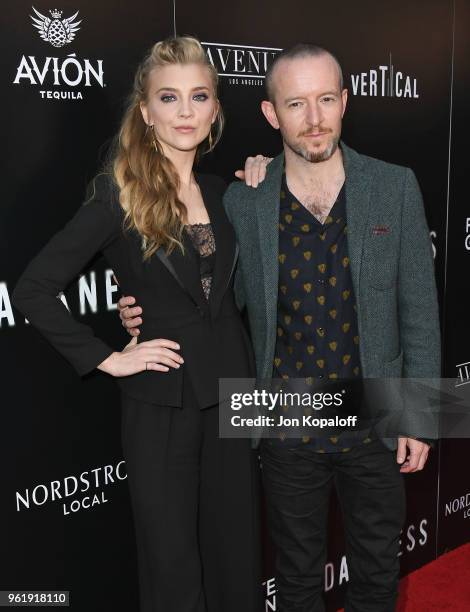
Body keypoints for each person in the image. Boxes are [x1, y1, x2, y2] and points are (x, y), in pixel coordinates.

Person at [119, 43, 441, 611]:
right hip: (284, 422)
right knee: (293, 580)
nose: (313, 119)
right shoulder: (245, 201)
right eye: (296, 104)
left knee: (375, 575)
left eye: (324, 101)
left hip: (377, 414)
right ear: (273, 115)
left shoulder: (396, 185)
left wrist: (423, 417)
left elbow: (419, 307)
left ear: (344, 103)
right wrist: (140, 303)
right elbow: (209, 291)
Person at [12, 36, 264, 612]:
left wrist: (265, 180)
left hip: (232, 394)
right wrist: (110, 356)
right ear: (146, 111)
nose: (184, 111)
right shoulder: (117, 196)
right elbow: (34, 287)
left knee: (237, 559)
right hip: (159, 404)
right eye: (168, 98)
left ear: (215, 109)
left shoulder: (230, 195)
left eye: (198, 97)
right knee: (171, 567)